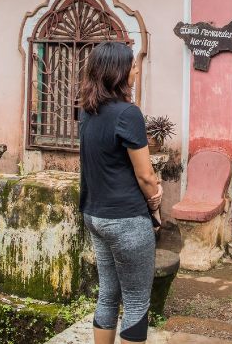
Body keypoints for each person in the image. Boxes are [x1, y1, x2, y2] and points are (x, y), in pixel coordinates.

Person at [78, 41, 162, 344]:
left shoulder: (87, 112)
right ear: (119, 72)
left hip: (95, 214)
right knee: (137, 301)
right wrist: (156, 199)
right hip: (126, 217)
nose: (136, 70)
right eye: (133, 65)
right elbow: (145, 175)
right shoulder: (128, 113)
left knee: (108, 295)